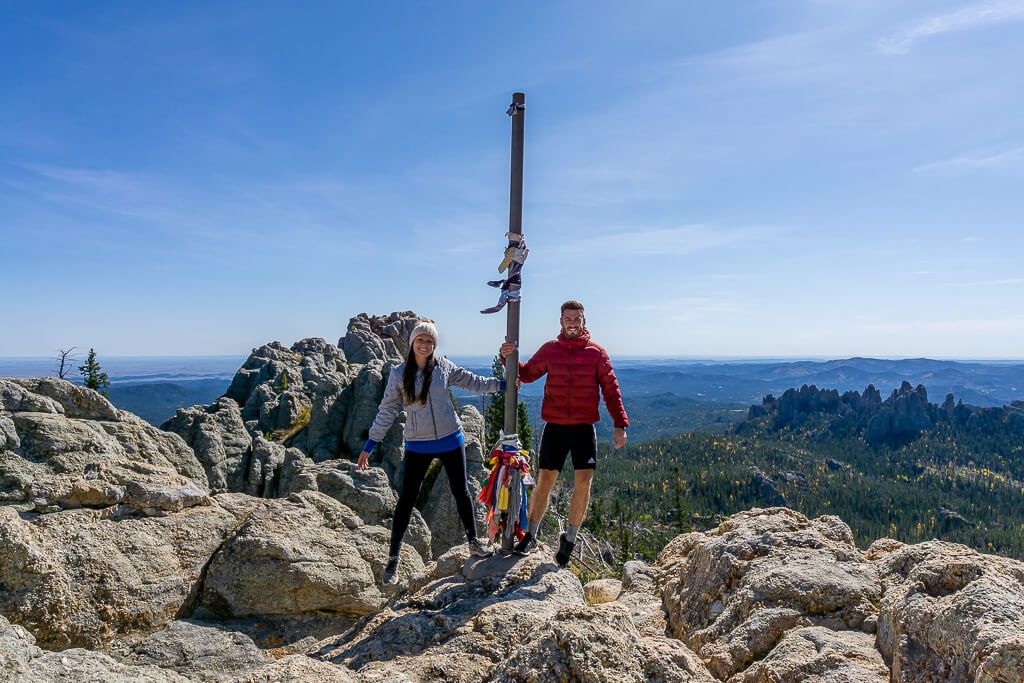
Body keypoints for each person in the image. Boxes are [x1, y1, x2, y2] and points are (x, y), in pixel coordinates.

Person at [358, 320, 504, 586]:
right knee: (407, 500)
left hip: (451, 438)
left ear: (434, 345)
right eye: (420, 340)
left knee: (461, 491)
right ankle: (393, 560)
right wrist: (371, 444)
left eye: (429, 341)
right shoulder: (399, 373)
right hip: (418, 443)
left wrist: (501, 386)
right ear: (412, 343)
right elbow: (387, 410)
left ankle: (474, 542)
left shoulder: (444, 367)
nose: (424, 345)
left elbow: (472, 382)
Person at [499, 300, 628, 568]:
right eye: (568, 318)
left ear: (584, 320)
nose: (572, 322)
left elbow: (611, 388)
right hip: (555, 426)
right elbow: (527, 373)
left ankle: (569, 539)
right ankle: (531, 535)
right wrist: (507, 356)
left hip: (583, 428)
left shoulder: (596, 353)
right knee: (545, 480)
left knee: (583, 483)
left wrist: (620, 424)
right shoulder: (550, 350)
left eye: (576, 318)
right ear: (561, 321)